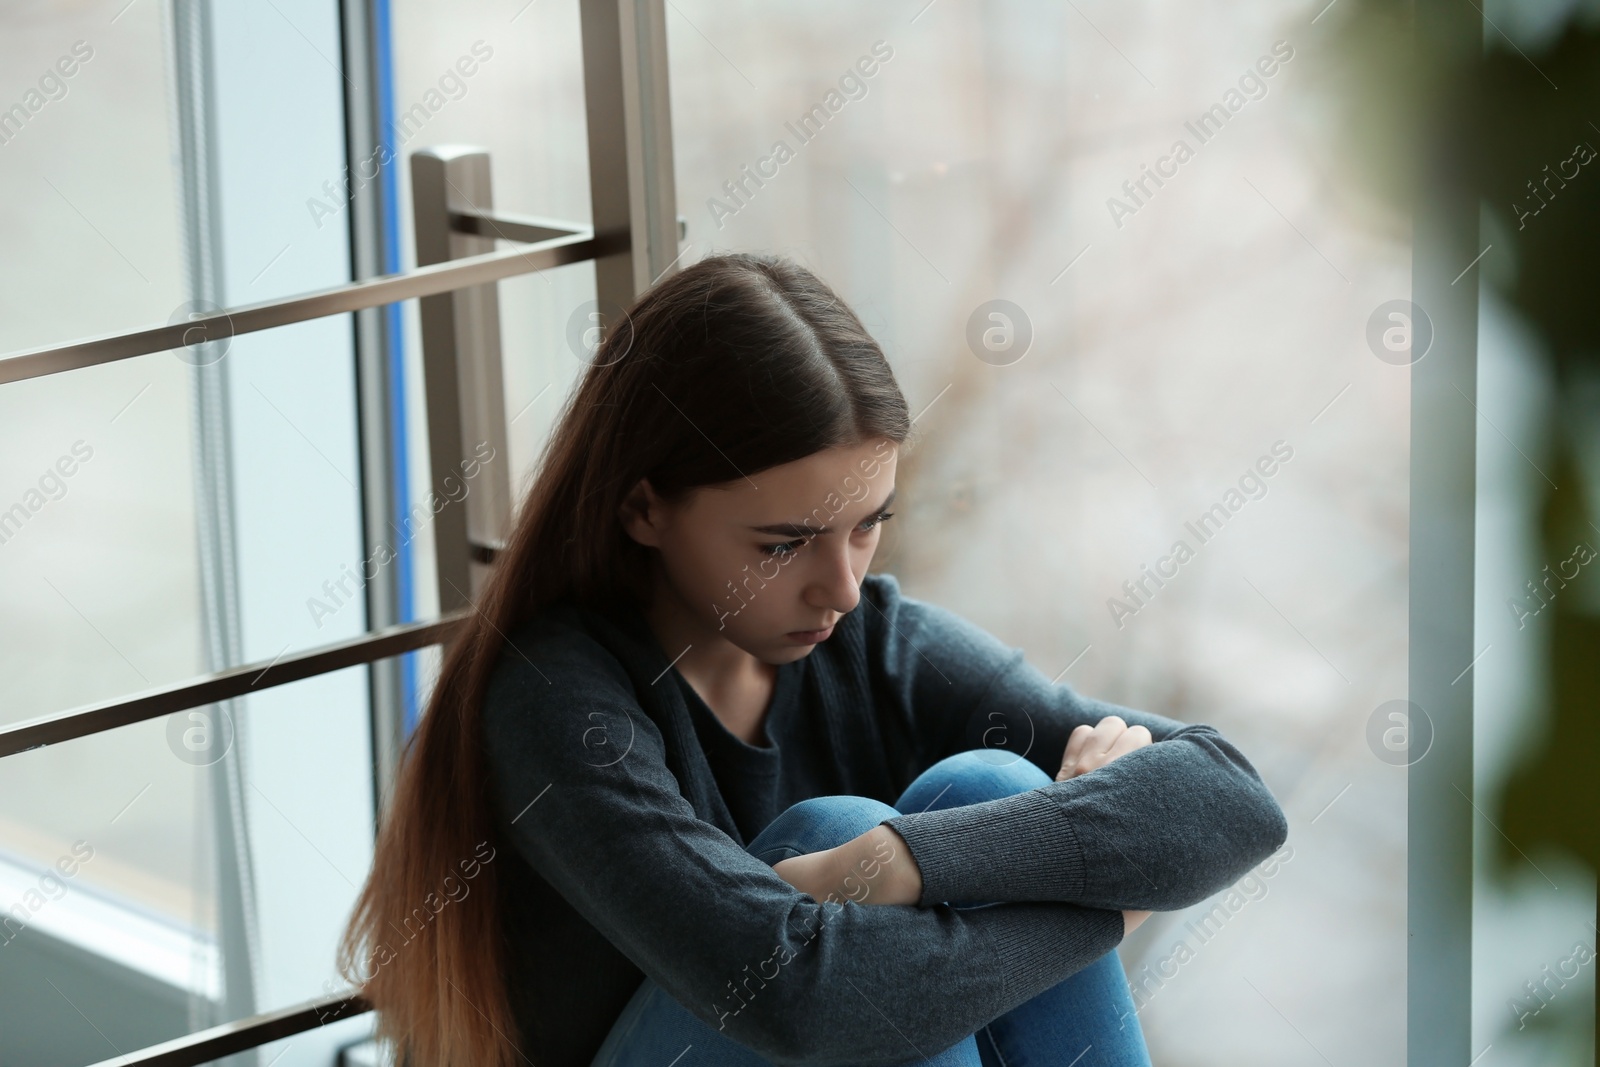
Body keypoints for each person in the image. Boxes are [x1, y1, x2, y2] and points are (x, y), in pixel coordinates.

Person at [336, 252, 1289, 1067]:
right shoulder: (556, 698)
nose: (840, 586)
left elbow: (1228, 794)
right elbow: (803, 993)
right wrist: (1102, 899)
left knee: (987, 783)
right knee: (841, 839)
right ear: (643, 509)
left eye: (868, 525)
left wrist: (897, 861)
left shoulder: (869, 639)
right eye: (784, 543)